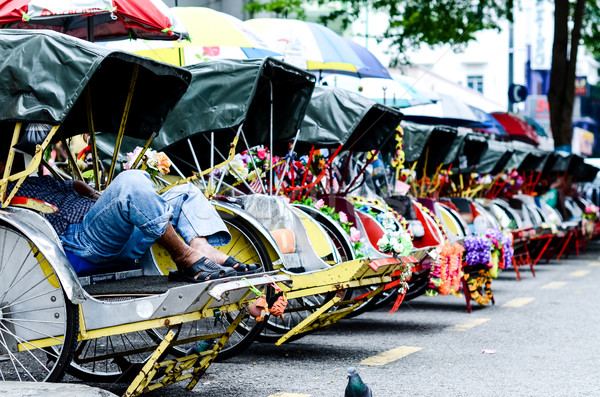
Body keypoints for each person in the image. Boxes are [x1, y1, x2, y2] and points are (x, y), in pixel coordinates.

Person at [5, 169, 258, 283]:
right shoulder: (7, 190)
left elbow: (72, 186)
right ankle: (183, 255)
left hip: (111, 223)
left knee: (186, 192)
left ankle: (202, 247)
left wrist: (96, 195)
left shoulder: (35, 180)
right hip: (82, 236)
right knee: (131, 182)